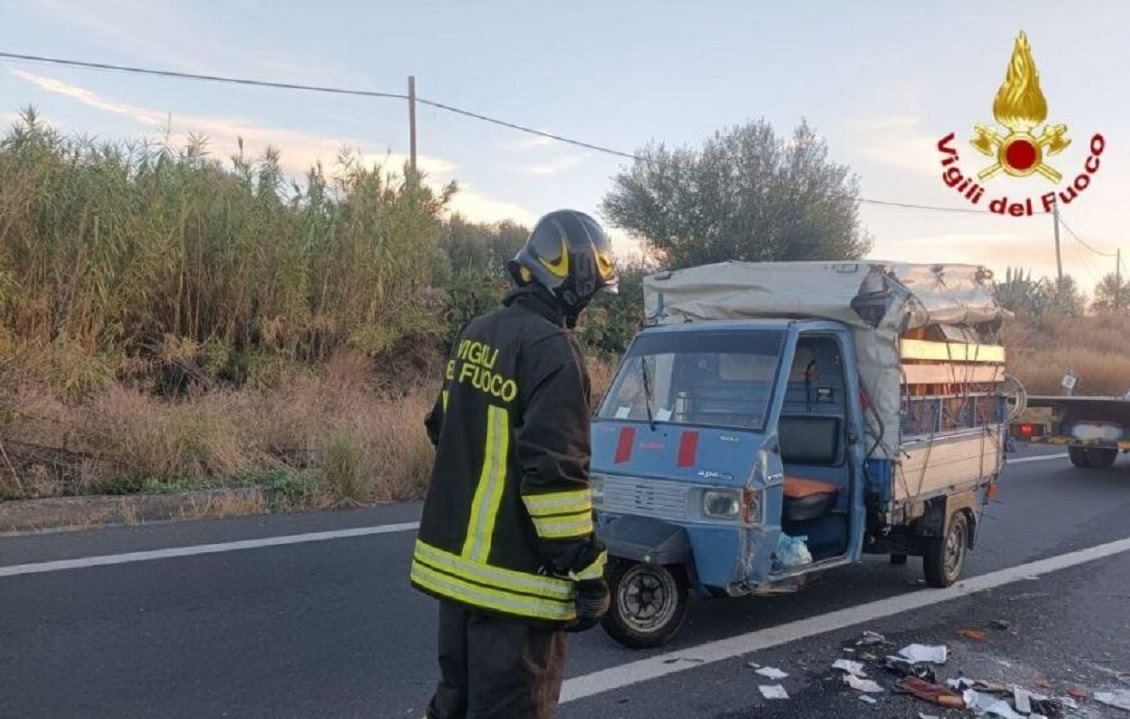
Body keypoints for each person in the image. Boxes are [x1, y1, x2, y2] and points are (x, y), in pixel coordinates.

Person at [410, 209, 619, 719]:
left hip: (456, 582)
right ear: (575, 280)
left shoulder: (475, 333)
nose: (588, 306)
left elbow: (443, 427)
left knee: (453, 706)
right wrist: (588, 570)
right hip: (515, 591)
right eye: (590, 294)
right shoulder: (554, 351)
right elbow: (556, 480)